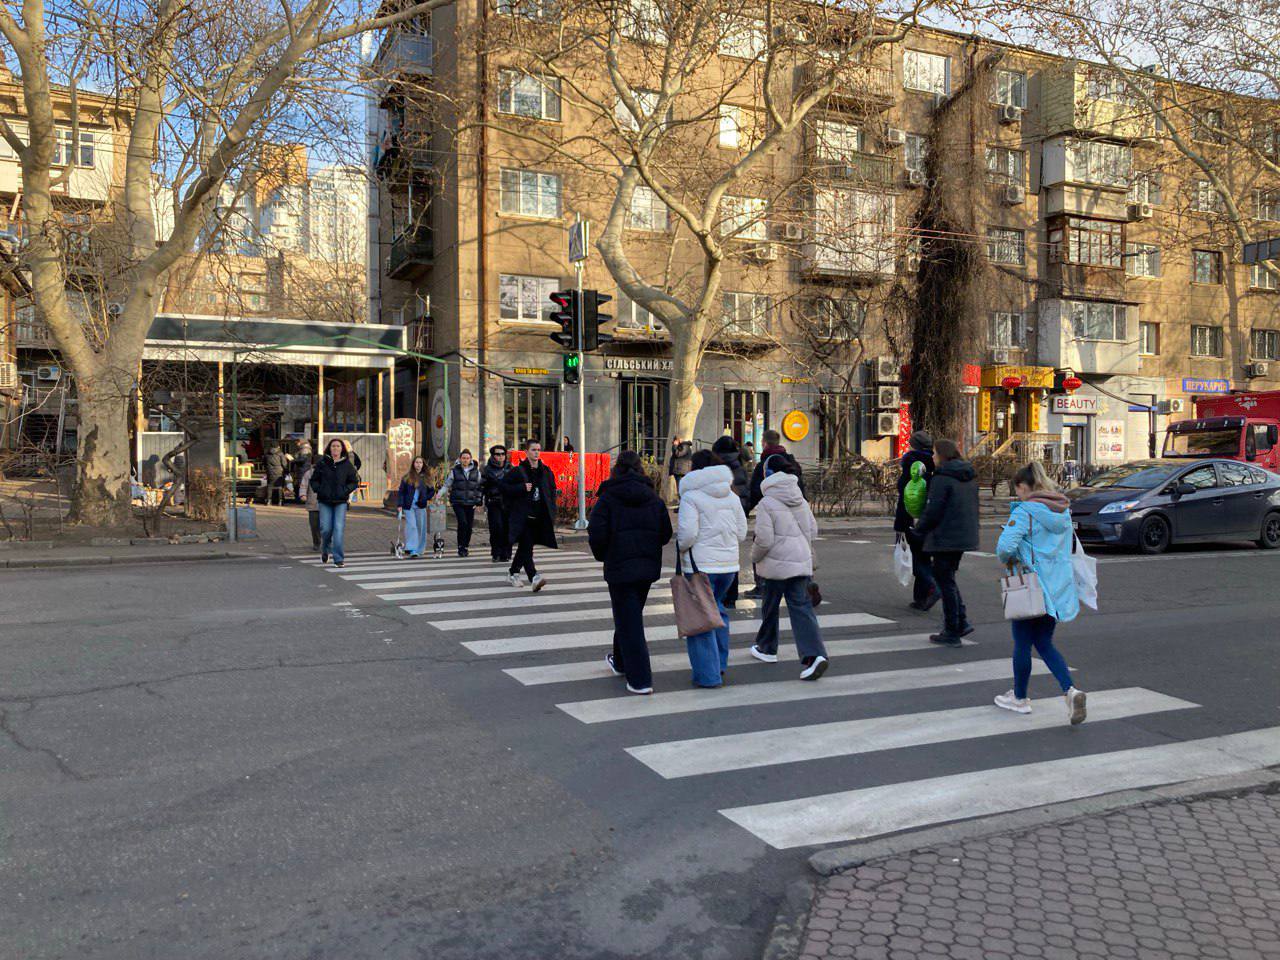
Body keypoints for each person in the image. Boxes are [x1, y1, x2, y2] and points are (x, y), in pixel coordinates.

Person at [994, 461, 1087, 724]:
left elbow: (1004, 547)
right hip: (1058, 587)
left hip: (1031, 585)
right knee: (1044, 642)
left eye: (1019, 490)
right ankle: (1071, 690)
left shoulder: (1026, 511)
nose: (1019, 495)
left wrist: (1016, 552)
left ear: (1025, 487)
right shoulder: (1062, 510)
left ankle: (1020, 698)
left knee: (1022, 642)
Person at [588, 450, 673, 696]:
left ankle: (640, 679)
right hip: (646, 568)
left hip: (619, 567)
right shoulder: (653, 499)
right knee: (630, 616)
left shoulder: (607, 498)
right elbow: (665, 533)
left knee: (630, 621)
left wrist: (605, 555)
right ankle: (621, 661)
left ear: (617, 470)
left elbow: (597, 533)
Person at [750, 456, 830, 680]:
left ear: (769, 475)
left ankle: (767, 648)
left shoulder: (767, 502)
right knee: (801, 609)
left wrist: (754, 557)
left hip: (775, 564)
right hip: (800, 562)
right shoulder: (800, 499)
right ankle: (814, 655)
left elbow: (764, 539)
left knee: (770, 605)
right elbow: (813, 531)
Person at [677, 450, 748, 688]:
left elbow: (687, 536)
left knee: (701, 618)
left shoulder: (691, 497)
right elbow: (741, 533)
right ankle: (719, 663)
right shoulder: (732, 496)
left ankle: (708, 675)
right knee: (717, 611)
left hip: (701, 565)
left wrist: (681, 546)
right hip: (728, 566)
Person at [912, 438, 980, 647]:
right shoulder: (967, 475)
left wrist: (919, 529)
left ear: (942, 455)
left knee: (945, 582)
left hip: (945, 537)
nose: (932, 457)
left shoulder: (942, 478)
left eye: (934, 453)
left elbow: (934, 509)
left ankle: (952, 629)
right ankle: (961, 622)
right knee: (947, 579)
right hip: (963, 535)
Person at [744, 429, 805, 600]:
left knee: (763, 544)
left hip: (771, 510)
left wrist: (746, 510)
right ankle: (799, 583)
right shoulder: (792, 462)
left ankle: (762, 586)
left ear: (764, 442)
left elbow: (755, 491)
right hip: (795, 510)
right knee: (795, 546)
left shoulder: (764, 464)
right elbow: (801, 487)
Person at [499, 439, 558, 590]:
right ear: (526, 452)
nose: (536, 452)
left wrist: (552, 510)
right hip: (522, 516)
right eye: (533, 450)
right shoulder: (518, 471)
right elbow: (503, 486)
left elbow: (551, 491)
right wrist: (521, 487)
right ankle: (534, 577)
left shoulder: (545, 471)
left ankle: (513, 572)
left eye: (538, 449)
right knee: (527, 545)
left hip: (539, 516)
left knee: (526, 546)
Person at [895, 430, 939, 611]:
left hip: (911, 517)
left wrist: (900, 523)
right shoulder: (936, 463)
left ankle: (932, 586)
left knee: (915, 559)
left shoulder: (911, 463)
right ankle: (920, 599)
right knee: (924, 556)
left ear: (914, 446)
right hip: (929, 516)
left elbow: (904, 491)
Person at [711, 435, 750, 606]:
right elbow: (746, 492)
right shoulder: (740, 465)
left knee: (716, 556)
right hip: (735, 513)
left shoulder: (715, 466)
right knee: (732, 557)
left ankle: (720, 595)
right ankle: (731, 596)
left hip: (716, 514)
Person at [312, 438, 360, 566]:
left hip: (340, 501)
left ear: (342, 449)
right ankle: (325, 549)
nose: (335, 448)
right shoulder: (322, 463)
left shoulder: (346, 464)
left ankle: (338, 558)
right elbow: (314, 480)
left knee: (338, 529)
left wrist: (345, 491)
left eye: (338, 446)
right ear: (329, 448)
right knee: (326, 529)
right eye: (333, 446)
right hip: (325, 500)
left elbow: (354, 482)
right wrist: (319, 489)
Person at [441, 449, 483, 557]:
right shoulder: (454, 471)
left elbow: (479, 487)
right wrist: (439, 494)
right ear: (460, 459)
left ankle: (465, 546)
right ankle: (460, 546)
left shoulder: (476, 471)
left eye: (467, 458)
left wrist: (479, 502)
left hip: (471, 502)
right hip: (457, 502)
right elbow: (447, 484)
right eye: (463, 458)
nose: (465, 460)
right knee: (462, 523)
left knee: (469, 526)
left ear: (470, 459)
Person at [397, 455, 435, 559]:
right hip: (408, 506)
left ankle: (419, 549)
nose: (418, 464)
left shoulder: (426, 477)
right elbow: (401, 492)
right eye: (416, 462)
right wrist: (400, 504)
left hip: (421, 506)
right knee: (412, 526)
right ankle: (412, 548)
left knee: (420, 527)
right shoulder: (407, 477)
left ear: (423, 465)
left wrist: (425, 498)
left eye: (420, 463)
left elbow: (432, 491)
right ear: (413, 464)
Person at [481, 445, 514, 563]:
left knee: (507, 528)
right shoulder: (487, 469)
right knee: (496, 528)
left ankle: (506, 553)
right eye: (497, 454)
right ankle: (496, 553)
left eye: (502, 454)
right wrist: (480, 501)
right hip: (494, 502)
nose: (500, 457)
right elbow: (481, 486)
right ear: (493, 456)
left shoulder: (510, 468)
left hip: (508, 503)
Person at [299, 458, 321, 550]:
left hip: (326, 504)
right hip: (313, 503)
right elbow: (304, 485)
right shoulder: (309, 473)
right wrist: (303, 495)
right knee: (314, 526)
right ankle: (317, 543)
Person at [264, 442, 289, 506]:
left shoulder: (267, 454)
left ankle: (269, 501)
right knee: (280, 486)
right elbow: (284, 464)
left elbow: (264, 463)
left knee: (270, 486)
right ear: (278, 447)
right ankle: (280, 501)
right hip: (279, 472)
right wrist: (287, 471)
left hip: (270, 472)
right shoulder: (280, 454)